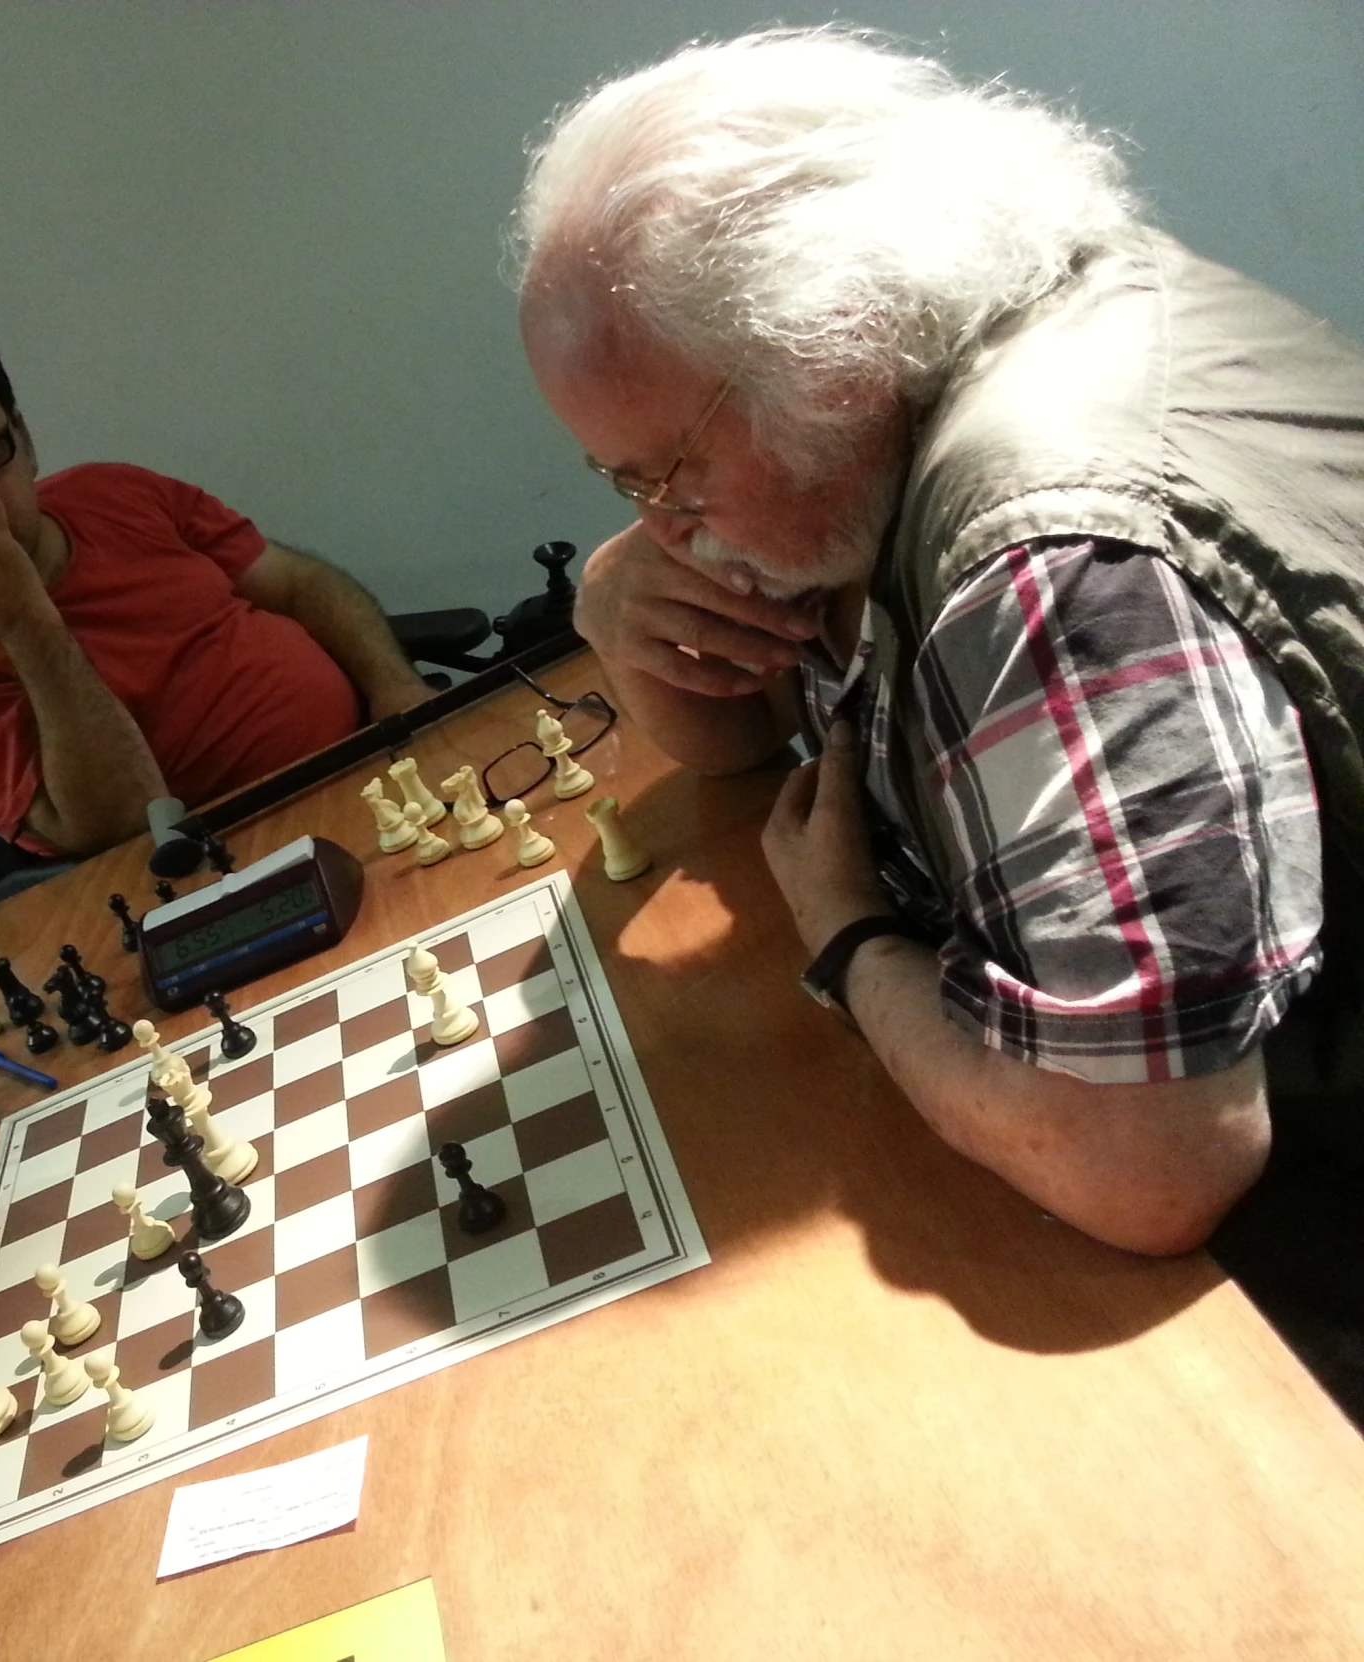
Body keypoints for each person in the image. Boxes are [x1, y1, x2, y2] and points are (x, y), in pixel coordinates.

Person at [512, 31, 1364, 1397]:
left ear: (830, 348)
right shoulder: (1002, 322)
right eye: (621, 486)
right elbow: (732, 743)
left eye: (665, 472)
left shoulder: (1038, 558)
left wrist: (847, 934)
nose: (664, 523)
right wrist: (620, 602)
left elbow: (1149, 1164)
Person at [0, 308, 435, 857]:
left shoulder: (117, 491)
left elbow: (298, 584)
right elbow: (126, 830)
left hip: (381, 761)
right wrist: (21, 618)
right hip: (238, 859)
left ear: (25, 442)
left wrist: (394, 686)